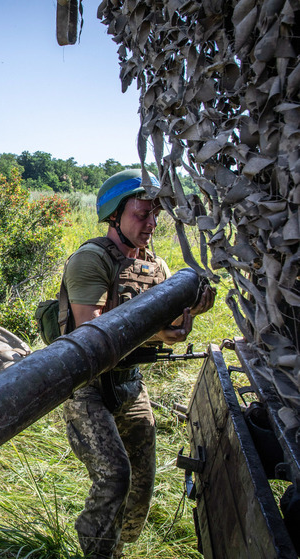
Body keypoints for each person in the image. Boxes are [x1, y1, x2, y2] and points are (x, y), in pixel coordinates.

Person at [60, 169, 215, 559]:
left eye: (154, 216)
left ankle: (121, 545)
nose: (150, 224)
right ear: (114, 215)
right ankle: (98, 551)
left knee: (142, 479)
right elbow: (89, 334)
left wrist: (190, 311)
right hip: (87, 387)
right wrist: (159, 332)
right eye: (141, 214)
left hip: (129, 382)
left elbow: (170, 322)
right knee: (115, 477)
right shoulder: (90, 260)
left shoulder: (155, 267)